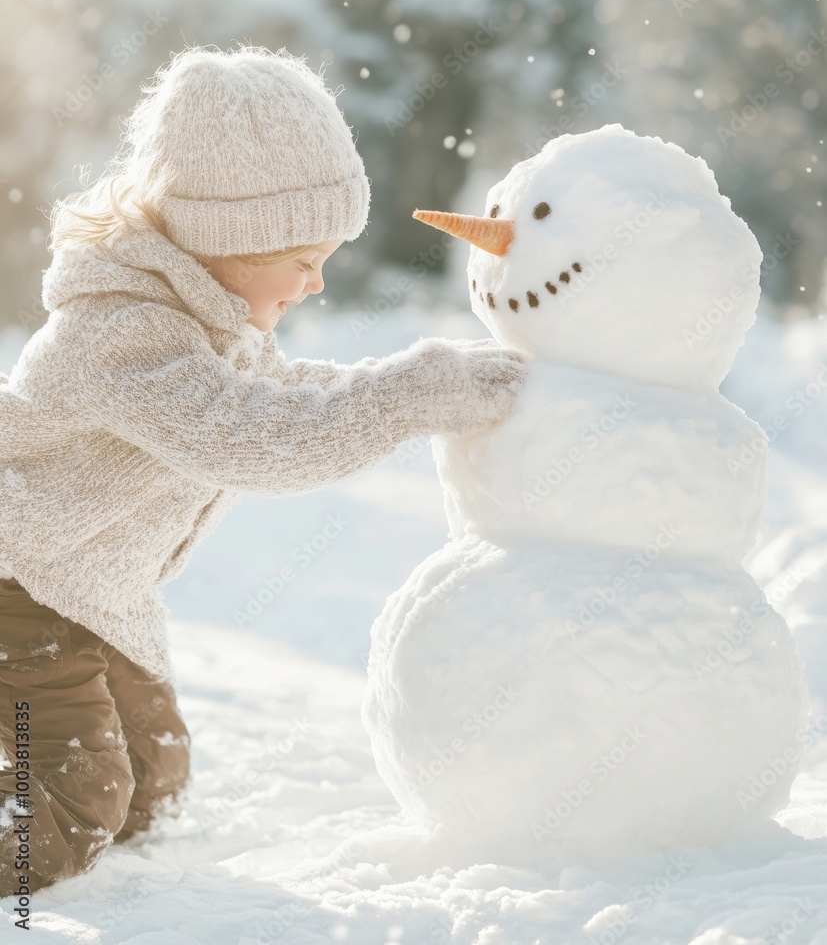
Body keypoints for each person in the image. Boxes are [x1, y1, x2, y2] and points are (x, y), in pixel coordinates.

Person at [0, 44, 527, 894]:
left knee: (151, 784)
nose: (316, 284)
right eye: (302, 259)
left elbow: (288, 392)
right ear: (228, 242)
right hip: (20, 587)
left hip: (96, 586)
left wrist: (420, 384)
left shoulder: (205, 315)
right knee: (70, 807)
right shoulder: (122, 335)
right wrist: (402, 397)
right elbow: (249, 434)